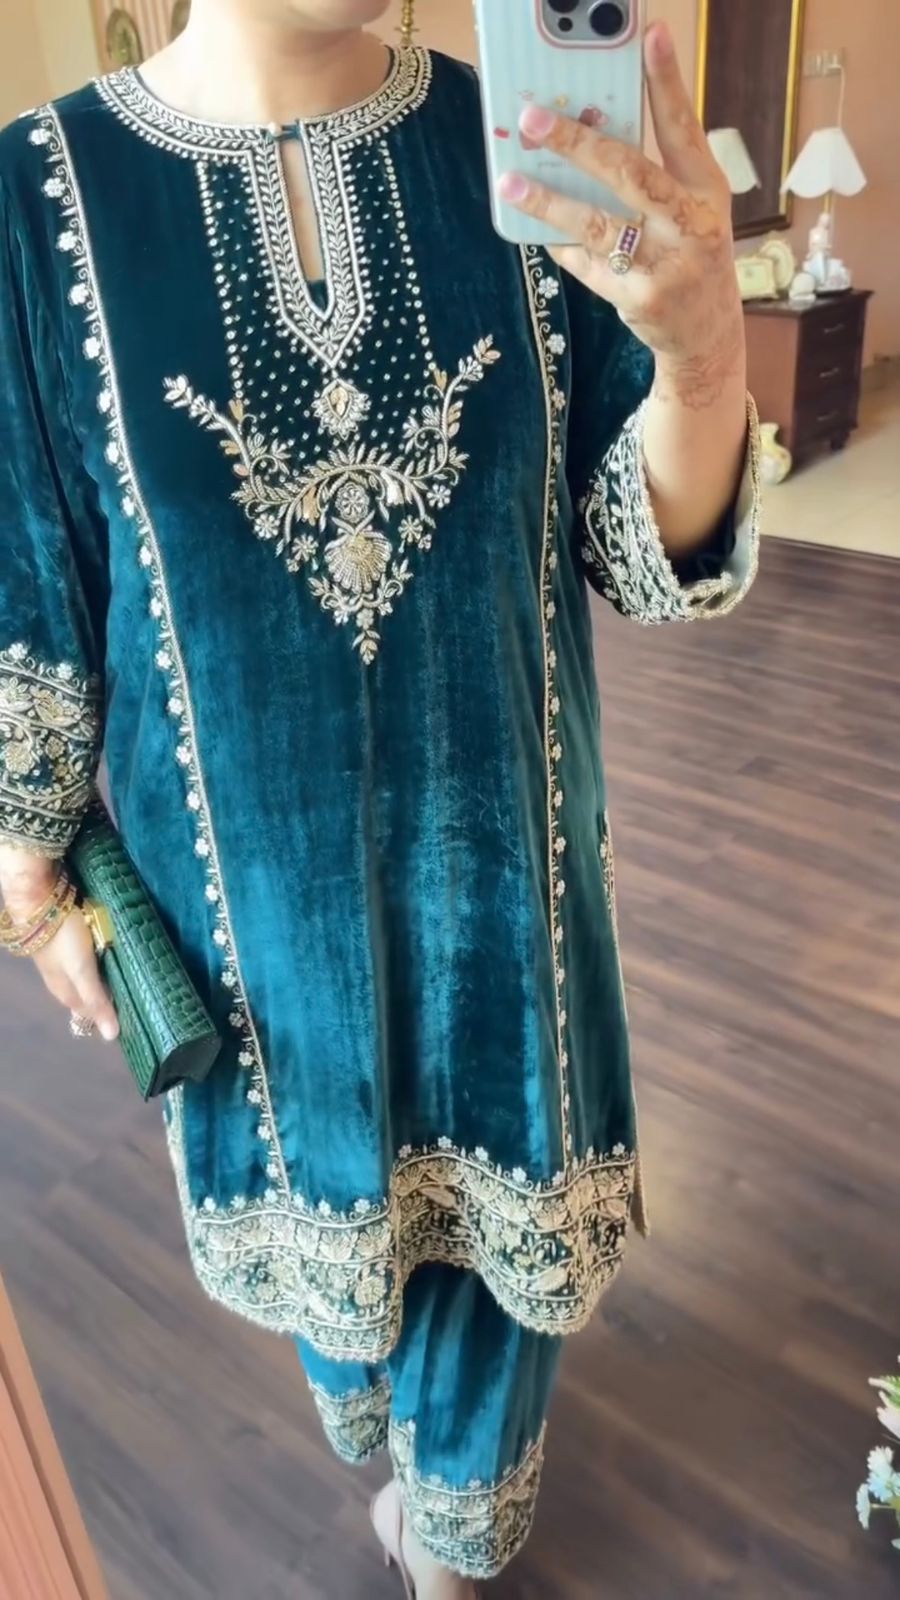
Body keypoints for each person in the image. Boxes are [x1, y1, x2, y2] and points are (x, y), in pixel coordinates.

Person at [0, 2, 759, 1594]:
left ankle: (450, 1553)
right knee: (338, 1276)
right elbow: (32, 599)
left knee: (494, 1280)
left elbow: (644, 549)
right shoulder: (32, 198)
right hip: (246, 946)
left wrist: (703, 357)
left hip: (511, 907)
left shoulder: (528, 149)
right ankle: (391, 1457)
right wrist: (36, 879)